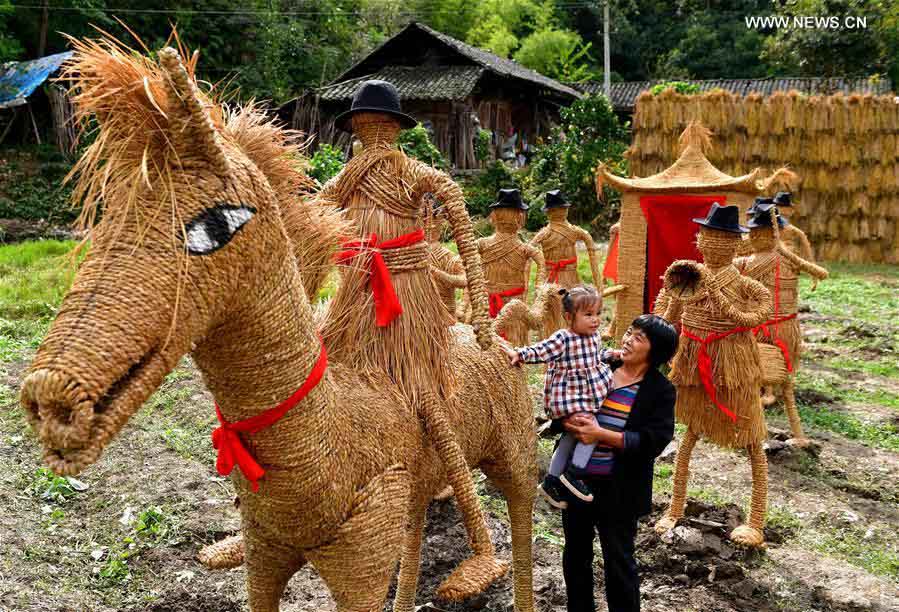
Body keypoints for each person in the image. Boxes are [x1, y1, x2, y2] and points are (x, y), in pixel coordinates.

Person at [557, 314, 678, 612]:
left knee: (619, 560)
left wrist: (602, 435)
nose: (627, 340)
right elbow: (564, 395)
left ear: (656, 351)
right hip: (576, 482)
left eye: (639, 338)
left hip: (620, 490)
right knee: (575, 556)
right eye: (628, 332)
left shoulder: (659, 390)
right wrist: (568, 420)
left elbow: (653, 440)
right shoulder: (599, 367)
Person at [502, 285, 619, 507]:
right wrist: (520, 353)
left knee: (569, 437)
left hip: (587, 394)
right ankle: (574, 473)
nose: (595, 320)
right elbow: (541, 350)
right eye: (588, 315)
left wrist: (609, 354)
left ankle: (551, 480)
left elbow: (593, 358)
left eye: (598, 314)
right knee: (589, 430)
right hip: (570, 396)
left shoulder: (593, 336)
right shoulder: (563, 338)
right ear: (568, 317)